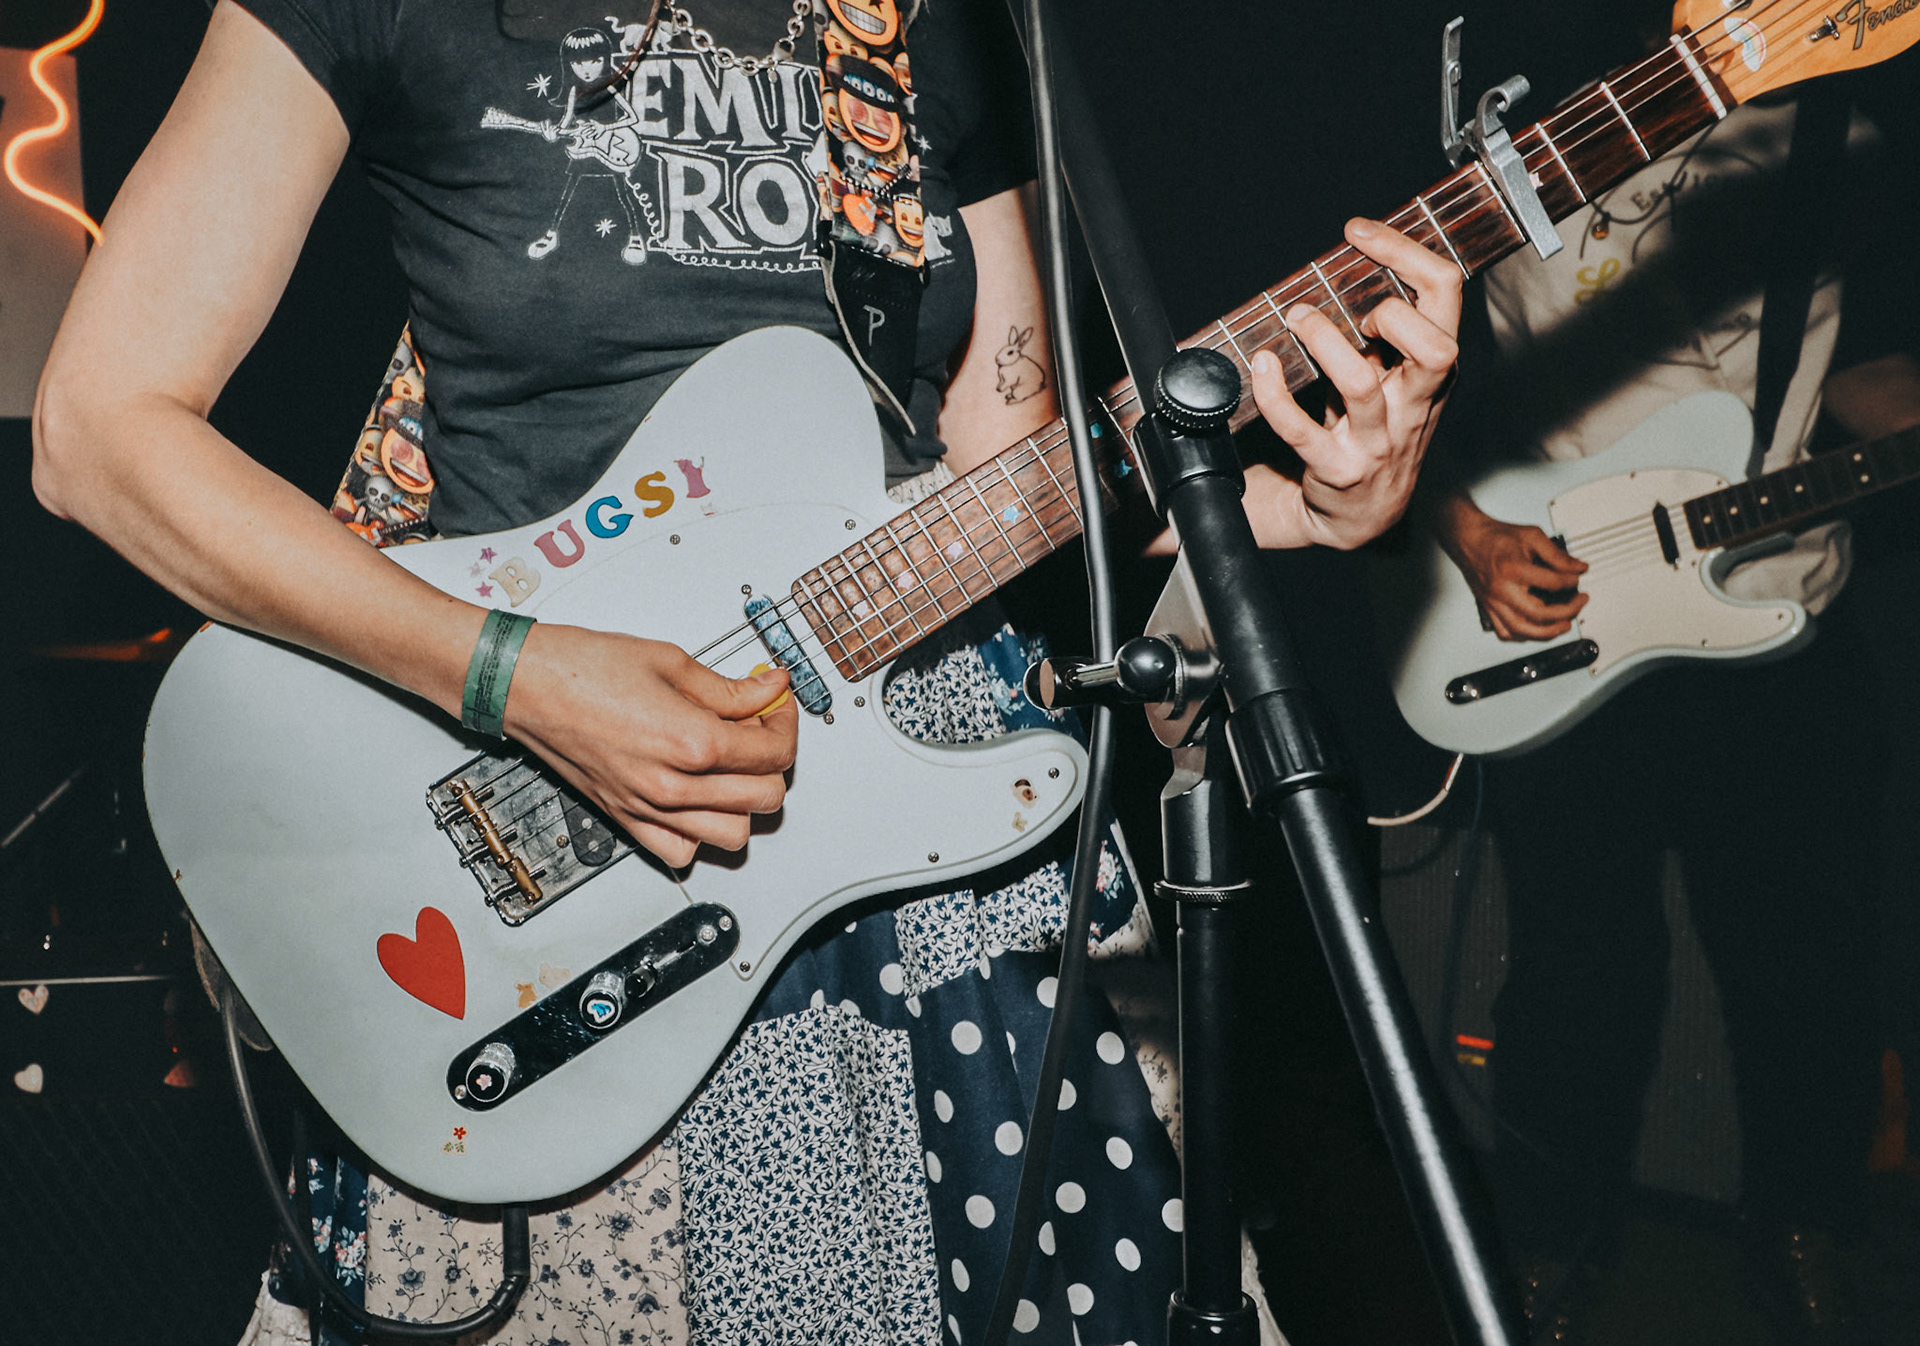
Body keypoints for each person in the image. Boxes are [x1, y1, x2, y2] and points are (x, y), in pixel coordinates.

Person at [31, 0, 1463, 1341]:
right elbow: (100, 430)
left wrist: (1292, 507)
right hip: (559, 828)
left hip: (932, 824)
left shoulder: (936, 25)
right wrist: (511, 676)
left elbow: (1010, 482)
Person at [1428, 91, 1883, 1344]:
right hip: (1570, 604)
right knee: (1578, 970)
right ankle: (1550, 1245)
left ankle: (1805, 1226)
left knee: (1809, 967)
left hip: (1784, 604)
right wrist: (1464, 532)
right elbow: (1388, 362)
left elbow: (1877, 358)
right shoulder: (1514, 85)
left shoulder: (1850, 100)